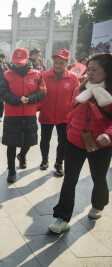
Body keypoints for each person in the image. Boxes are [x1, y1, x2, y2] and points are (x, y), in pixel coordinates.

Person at [49, 53, 112, 234]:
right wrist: (70, 132)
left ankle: (98, 204)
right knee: (69, 180)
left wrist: (108, 135)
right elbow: (72, 113)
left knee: (99, 178)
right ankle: (62, 218)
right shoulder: (79, 90)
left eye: (95, 70)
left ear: (107, 72)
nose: (90, 73)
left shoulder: (109, 94)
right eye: (88, 69)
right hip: (75, 142)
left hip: (101, 145)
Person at [0, 47, 47, 183]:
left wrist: (30, 98)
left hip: (29, 113)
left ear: (27, 60)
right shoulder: (7, 74)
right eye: (15, 61)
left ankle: (22, 156)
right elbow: (3, 92)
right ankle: (11, 170)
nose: (17, 64)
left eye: (20, 61)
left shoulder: (36, 74)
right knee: (11, 143)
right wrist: (17, 100)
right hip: (12, 114)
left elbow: (43, 91)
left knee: (28, 141)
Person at [39, 48, 79, 176]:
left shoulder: (73, 78)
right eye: (56, 62)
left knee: (63, 141)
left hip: (65, 117)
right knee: (45, 139)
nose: (57, 65)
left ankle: (59, 163)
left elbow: (76, 96)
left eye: (61, 63)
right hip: (46, 113)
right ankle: (44, 160)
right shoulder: (44, 76)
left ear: (67, 63)